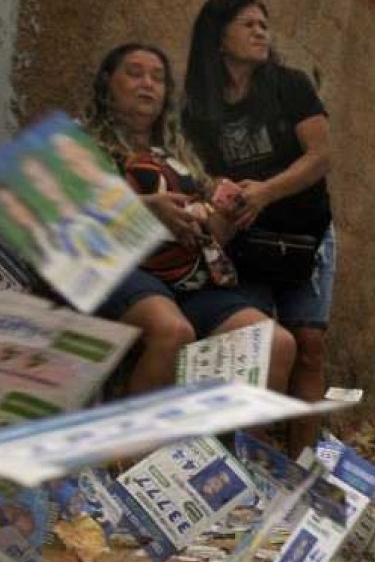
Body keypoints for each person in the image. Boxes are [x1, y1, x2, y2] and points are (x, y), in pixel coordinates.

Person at [85, 42, 295, 395]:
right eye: (134, 73)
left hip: (191, 281)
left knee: (276, 343)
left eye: (157, 78)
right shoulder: (82, 144)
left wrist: (226, 215)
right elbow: (62, 219)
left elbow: (214, 233)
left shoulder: (179, 156)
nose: (147, 84)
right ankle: (130, 451)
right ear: (108, 82)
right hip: (120, 270)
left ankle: (239, 451)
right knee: (172, 331)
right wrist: (145, 209)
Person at [184, 0, 334, 453]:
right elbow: (200, 173)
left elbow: (321, 155)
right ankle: (247, 458)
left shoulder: (290, 85)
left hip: (305, 236)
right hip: (245, 241)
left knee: (308, 343)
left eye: (263, 23)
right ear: (218, 36)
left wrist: (265, 192)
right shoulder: (199, 107)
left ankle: (303, 461)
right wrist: (218, 197)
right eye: (247, 23)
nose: (260, 31)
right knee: (254, 346)